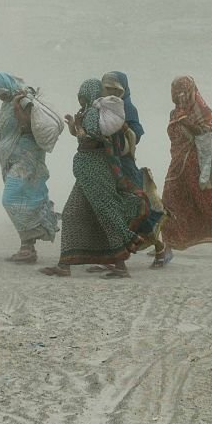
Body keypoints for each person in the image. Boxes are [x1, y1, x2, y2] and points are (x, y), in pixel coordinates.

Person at [40, 79, 150, 278]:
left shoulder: (92, 112)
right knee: (75, 214)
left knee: (105, 214)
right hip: (89, 173)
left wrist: (78, 129)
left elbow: (89, 137)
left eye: (81, 93)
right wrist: (75, 126)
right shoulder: (90, 112)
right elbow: (89, 136)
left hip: (94, 172)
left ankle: (119, 266)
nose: (79, 97)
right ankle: (65, 264)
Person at [89, 71, 170, 269]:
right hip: (104, 165)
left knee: (135, 212)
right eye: (108, 88)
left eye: (117, 90)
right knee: (106, 211)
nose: (113, 93)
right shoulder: (98, 106)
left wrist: (122, 128)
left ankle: (160, 248)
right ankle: (110, 256)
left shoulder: (128, 108)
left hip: (123, 167)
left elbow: (136, 135)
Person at [0, 72, 58, 263]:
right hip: (13, 160)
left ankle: (28, 245)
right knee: (22, 199)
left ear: (6, 88)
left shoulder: (24, 100)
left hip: (28, 159)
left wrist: (16, 107)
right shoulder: (9, 102)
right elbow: (6, 132)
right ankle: (27, 248)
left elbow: (28, 126)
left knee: (12, 199)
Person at [160, 75, 212, 256]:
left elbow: (209, 132)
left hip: (199, 166)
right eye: (176, 92)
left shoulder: (200, 111)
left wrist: (186, 122)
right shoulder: (174, 113)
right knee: (170, 200)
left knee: (209, 202)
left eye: (183, 92)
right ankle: (167, 244)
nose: (179, 96)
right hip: (178, 165)